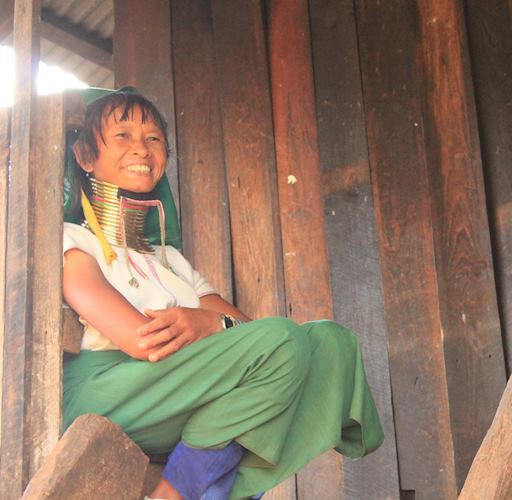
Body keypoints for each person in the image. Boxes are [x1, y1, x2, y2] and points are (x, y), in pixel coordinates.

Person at [61, 88, 384, 500]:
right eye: (122, 135)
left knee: (329, 343)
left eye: (154, 138)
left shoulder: (170, 259)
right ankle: (181, 493)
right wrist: (210, 331)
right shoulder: (73, 240)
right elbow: (143, 341)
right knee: (282, 341)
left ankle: (194, 487)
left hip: (176, 393)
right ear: (86, 156)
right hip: (106, 392)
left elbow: (250, 336)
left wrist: (210, 322)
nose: (141, 148)